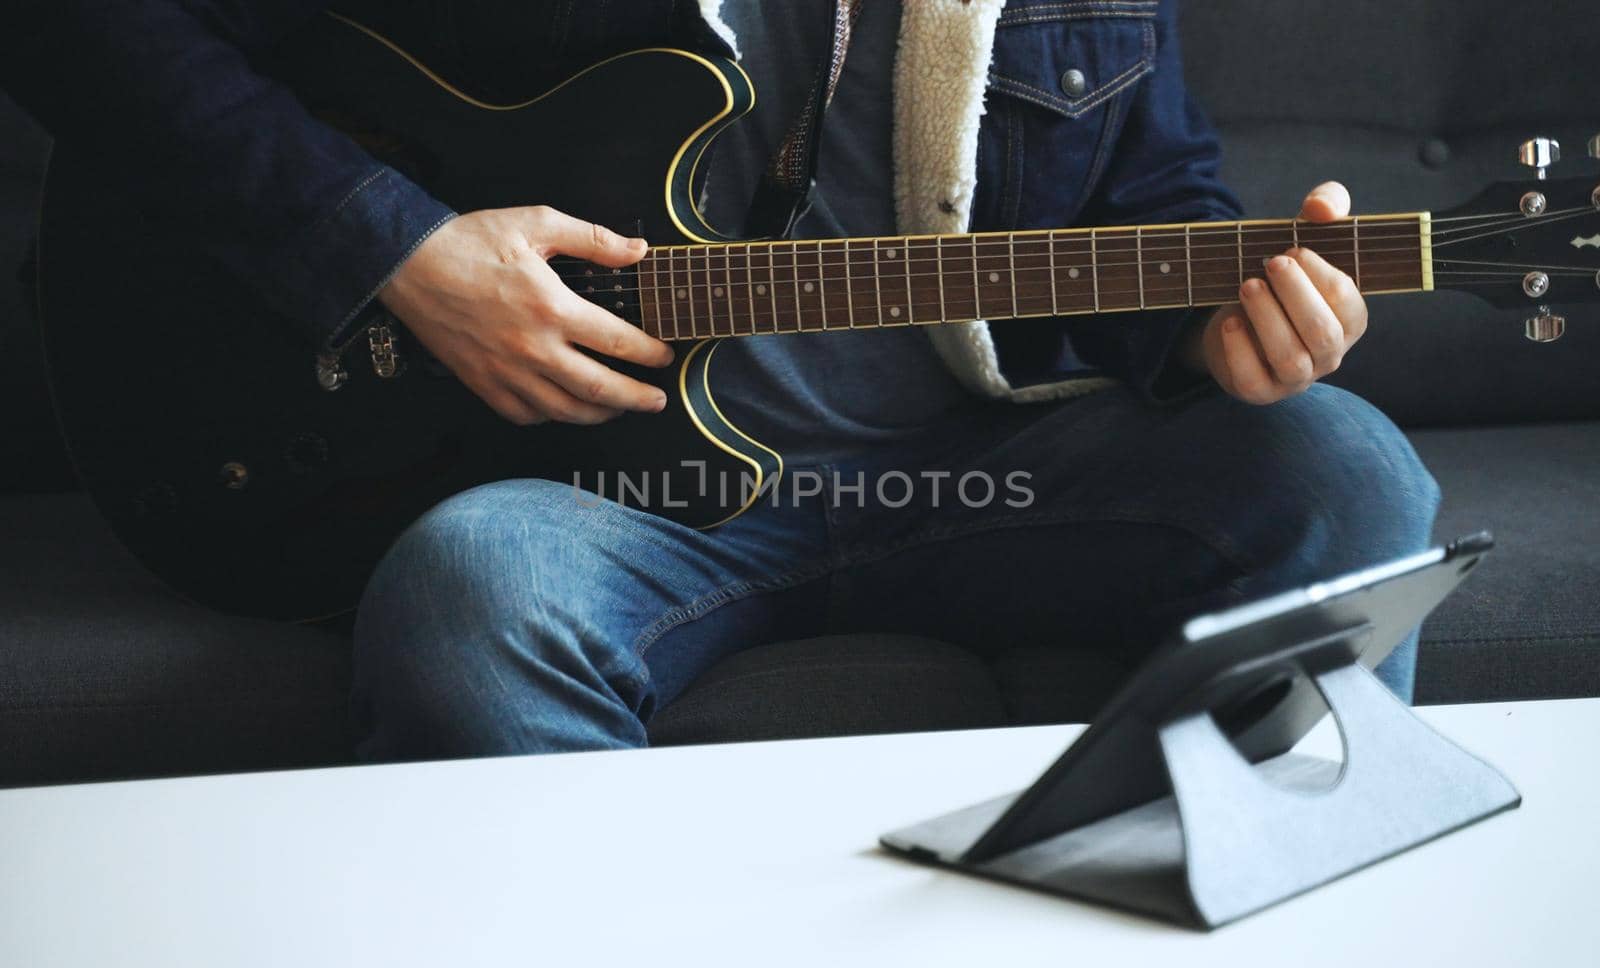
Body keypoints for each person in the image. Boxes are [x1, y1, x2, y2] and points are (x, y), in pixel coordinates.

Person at [2, 1, 1438, 761]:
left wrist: (1222, 322)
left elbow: (1153, 204)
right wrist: (400, 254)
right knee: (470, 587)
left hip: (986, 473)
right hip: (617, 507)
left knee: (1347, 472)